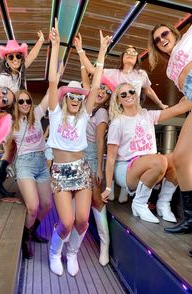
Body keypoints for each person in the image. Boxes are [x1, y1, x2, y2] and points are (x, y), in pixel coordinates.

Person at [47, 19, 111, 276]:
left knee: (83, 220)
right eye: (71, 96)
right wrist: (56, 46)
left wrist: (102, 52)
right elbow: (53, 81)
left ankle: (72, 253)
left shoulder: (85, 114)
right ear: (65, 99)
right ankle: (55, 252)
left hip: (81, 169)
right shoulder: (54, 113)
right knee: (66, 221)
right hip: (61, 171)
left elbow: (95, 85)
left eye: (79, 96)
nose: (75, 99)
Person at [74, 33, 169, 204]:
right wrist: (80, 50)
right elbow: (92, 71)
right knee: (115, 152)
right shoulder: (114, 73)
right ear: (122, 57)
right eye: (127, 52)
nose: (131, 54)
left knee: (137, 151)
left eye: (134, 52)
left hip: (137, 117)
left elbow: (148, 90)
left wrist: (161, 104)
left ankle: (128, 187)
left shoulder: (141, 74)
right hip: (119, 117)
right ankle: (116, 185)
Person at [101, 82, 192, 225]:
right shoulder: (118, 123)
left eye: (131, 92)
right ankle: (139, 203)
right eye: (123, 94)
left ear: (136, 94)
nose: (128, 96)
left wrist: (189, 94)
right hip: (126, 170)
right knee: (160, 160)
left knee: (176, 159)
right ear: (118, 100)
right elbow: (111, 158)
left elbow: (180, 108)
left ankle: (163, 204)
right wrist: (108, 187)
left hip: (149, 164)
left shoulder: (148, 115)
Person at [0, 32, 45, 210]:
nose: (15, 59)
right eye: (11, 56)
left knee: (11, 150)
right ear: (6, 59)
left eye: (18, 56)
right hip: (1, 116)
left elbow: (33, 56)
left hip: (14, 119)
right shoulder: (3, 79)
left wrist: (42, 41)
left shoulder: (19, 75)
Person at [148, 23, 192, 256]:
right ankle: (190, 217)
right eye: (156, 39)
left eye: (164, 33)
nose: (162, 39)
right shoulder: (168, 70)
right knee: (180, 158)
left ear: (174, 33)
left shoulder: (188, 38)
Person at [80, 66, 116, 266]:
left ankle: (104, 244)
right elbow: (86, 81)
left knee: (96, 199)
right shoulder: (87, 105)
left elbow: (101, 142)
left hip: (92, 156)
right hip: (76, 156)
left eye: (106, 91)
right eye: (99, 88)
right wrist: (78, 52)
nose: (101, 92)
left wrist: (100, 168)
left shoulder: (101, 112)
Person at [11, 89, 52, 259]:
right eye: (21, 102)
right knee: (33, 206)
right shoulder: (11, 123)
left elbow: (49, 92)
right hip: (24, 164)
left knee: (47, 204)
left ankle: (32, 230)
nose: (25, 104)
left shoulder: (36, 114)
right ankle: (25, 239)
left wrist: (56, 70)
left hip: (41, 163)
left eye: (28, 101)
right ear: (16, 105)